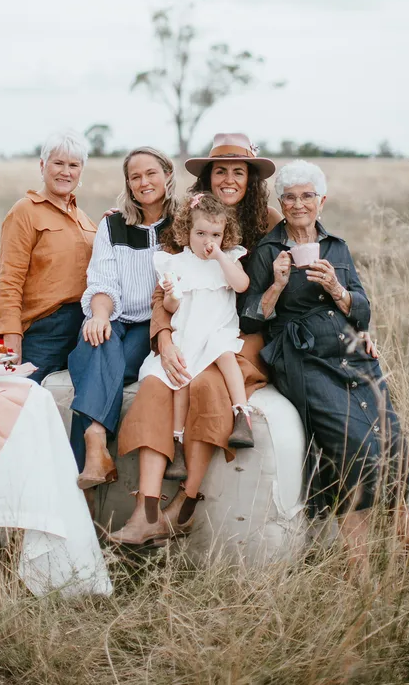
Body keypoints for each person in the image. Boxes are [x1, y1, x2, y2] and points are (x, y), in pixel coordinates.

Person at [239, 160, 409, 566]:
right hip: (304, 357)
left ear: (322, 200)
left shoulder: (336, 246)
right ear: (279, 202)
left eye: (307, 196)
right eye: (289, 197)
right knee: (356, 449)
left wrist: (338, 289)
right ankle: (360, 569)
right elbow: (248, 316)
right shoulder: (268, 250)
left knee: (396, 449)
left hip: (353, 353)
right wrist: (277, 286)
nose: (298, 204)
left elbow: (363, 310)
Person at [112, 133, 281, 546]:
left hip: (242, 335)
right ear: (206, 177)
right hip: (186, 328)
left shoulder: (269, 222)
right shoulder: (188, 221)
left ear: (251, 179)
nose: (228, 179)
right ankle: (145, 511)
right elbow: (165, 288)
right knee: (157, 384)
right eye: (219, 170)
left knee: (206, 385)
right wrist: (164, 338)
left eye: (237, 172)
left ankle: (183, 507)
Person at [68, 147, 178, 489]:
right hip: (116, 316)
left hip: (154, 324)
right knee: (94, 338)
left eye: (151, 173)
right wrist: (99, 317)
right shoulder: (113, 224)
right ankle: (96, 446)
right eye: (135, 177)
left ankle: (92, 443)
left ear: (168, 175)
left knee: (101, 363)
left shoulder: (183, 224)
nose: (144, 182)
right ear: (128, 185)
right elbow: (101, 281)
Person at [139, 193, 256, 487]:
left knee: (224, 353)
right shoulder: (175, 263)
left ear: (224, 236)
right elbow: (171, 309)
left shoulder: (228, 258)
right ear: (185, 232)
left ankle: (242, 415)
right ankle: (177, 443)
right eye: (201, 233)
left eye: (216, 235)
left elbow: (242, 285)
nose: (208, 240)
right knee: (182, 378)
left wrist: (219, 255)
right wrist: (169, 294)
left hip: (218, 329)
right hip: (189, 331)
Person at [0, 130, 96, 380]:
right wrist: (11, 337)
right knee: (27, 400)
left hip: (85, 327)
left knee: (72, 404)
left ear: (81, 171)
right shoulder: (25, 211)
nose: (66, 171)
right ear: (42, 165)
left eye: (73, 165)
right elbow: (9, 280)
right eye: (58, 163)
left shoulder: (84, 219)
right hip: (45, 330)